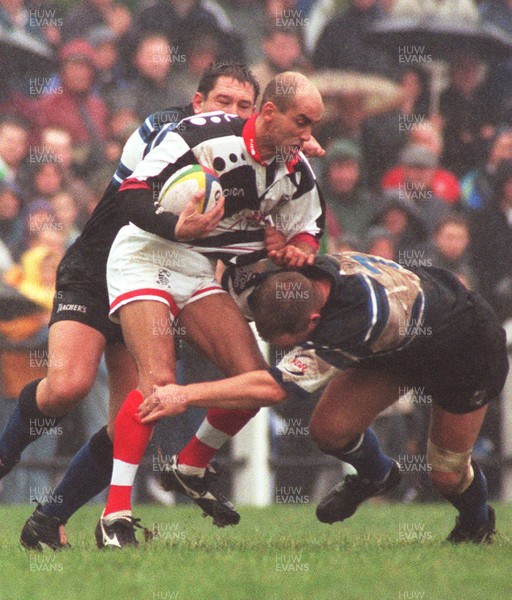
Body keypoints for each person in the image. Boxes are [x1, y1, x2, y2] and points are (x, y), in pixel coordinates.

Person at [0, 62, 260, 551]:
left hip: (152, 283)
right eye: (223, 102)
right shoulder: (163, 128)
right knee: (68, 385)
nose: (233, 114)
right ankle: (4, 456)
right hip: (99, 269)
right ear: (199, 102)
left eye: (244, 107)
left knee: (136, 417)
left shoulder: (246, 158)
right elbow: (134, 198)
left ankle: (51, 519)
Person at [96, 71, 325, 548]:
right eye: (302, 122)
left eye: (313, 125)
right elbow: (132, 192)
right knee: (158, 381)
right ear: (268, 114)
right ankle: (114, 516)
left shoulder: (296, 168)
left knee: (256, 382)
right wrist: (173, 226)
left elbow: (307, 227)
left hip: (196, 265)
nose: (309, 136)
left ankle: (192, 462)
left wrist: (296, 249)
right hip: (144, 254)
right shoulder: (200, 133)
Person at [142, 252, 508, 545]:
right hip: (402, 343)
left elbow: (273, 389)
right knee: (328, 431)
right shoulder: (289, 274)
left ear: (314, 320)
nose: (290, 350)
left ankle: (477, 524)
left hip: (466, 347)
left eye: (292, 343)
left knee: (445, 473)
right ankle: (376, 476)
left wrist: (185, 394)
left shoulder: (357, 321)